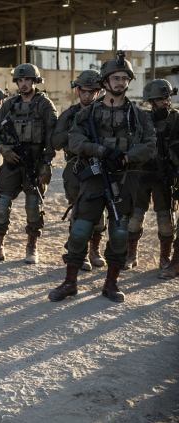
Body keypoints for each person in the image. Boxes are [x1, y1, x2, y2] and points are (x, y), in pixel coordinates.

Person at [48, 52, 156, 303]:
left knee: (119, 233)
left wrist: (125, 157)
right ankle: (70, 282)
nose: (120, 82)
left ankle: (111, 284)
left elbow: (150, 145)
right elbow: (74, 141)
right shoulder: (87, 114)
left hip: (124, 177)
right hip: (95, 175)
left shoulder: (139, 116)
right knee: (80, 229)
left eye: (124, 78)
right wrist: (102, 151)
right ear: (105, 82)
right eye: (115, 78)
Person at [0, 63, 58, 264]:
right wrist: (3, 149)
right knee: (2, 203)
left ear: (35, 81)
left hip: (34, 160)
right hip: (11, 159)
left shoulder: (44, 104)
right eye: (20, 80)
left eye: (27, 80)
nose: (23, 84)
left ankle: (32, 247)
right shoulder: (9, 104)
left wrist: (47, 162)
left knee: (33, 205)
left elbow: (51, 135)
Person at [52, 69, 106, 271]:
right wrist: (75, 132)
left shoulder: (105, 113)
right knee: (77, 210)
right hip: (75, 166)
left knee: (98, 209)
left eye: (92, 92)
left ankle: (95, 251)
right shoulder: (70, 114)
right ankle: (78, 252)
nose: (88, 96)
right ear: (78, 91)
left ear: (99, 92)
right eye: (84, 91)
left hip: (99, 166)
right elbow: (56, 142)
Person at [134, 79, 179, 276]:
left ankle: (165, 257)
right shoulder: (141, 118)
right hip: (142, 172)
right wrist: (153, 121)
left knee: (166, 219)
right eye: (160, 98)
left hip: (165, 175)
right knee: (134, 216)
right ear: (151, 101)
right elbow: (133, 137)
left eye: (167, 97)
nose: (165, 101)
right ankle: (130, 254)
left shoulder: (176, 118)